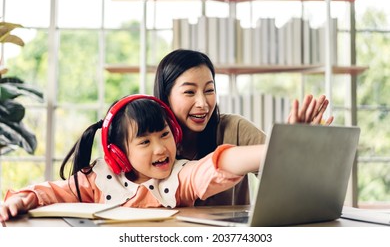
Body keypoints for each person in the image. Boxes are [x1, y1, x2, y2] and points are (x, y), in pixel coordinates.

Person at [0, 94, 269, 222]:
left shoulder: (180, 175)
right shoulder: (98, 179)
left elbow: (214, 166)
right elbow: (52, 192)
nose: (161, 148)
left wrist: (266, 152)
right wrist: (23, 198)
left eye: (165, 135)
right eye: (144, 142)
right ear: (118, 153)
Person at [154, 48, 334, 205]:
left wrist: (294, 142)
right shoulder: (148, 141)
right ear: (165, 96)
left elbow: (287, 180)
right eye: (189, 92)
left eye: (209, 90)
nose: (202, 103)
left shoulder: (234, 128)